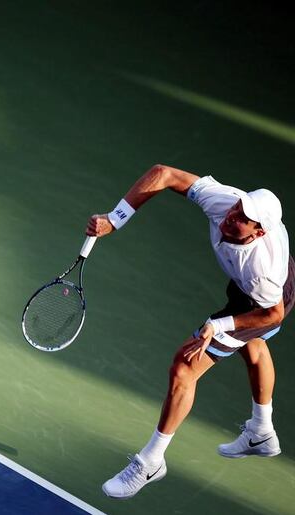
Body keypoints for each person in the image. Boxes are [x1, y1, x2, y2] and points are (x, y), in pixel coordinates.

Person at [88, 164, 293, 499]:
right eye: (238, 208)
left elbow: (273, 314)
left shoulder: (262, 272)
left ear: (258, 233)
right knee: (252, 346)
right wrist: (115, 218)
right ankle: (261, 430)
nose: (232, 216)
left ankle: (151, 461)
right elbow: (164, 173)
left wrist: (221, 325)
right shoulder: (225, 203)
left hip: (265, 301)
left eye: (243, 219)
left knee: (185, 366)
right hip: (257, 286)